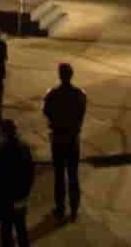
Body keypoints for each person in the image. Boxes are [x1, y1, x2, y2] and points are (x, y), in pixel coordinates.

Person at [43, 63, 86, 223]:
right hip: (72, 138)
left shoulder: (53, 94)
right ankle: (74, 207)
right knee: (73, 174)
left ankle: (60, 207)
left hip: (59, 138)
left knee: (59, 174)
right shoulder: (79, 94)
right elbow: (82, 112)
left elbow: (46, 112)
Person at [0, 119, 34, 247]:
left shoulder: (3, 151)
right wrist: (26, 193)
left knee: (6, 231)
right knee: (21, 228)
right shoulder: (24, 148)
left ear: (3, 133)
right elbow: (30, 173)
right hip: (20, 197)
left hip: (6, 199)